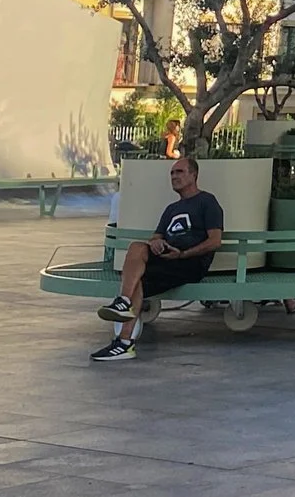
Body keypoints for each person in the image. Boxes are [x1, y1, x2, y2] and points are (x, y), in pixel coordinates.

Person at [93, 155, 225, 361]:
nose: (174, 176)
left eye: (179, 172)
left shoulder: (207, 202)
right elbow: (157, 235)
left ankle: (123, 341)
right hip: (166, 258)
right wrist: (156, 242)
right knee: (137, 247)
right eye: (172, 173)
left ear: (194, 175)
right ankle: (124, 306)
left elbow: (215, 241)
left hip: (189, 263)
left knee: (138, 281)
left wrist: (183, 254)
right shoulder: (171, 209)